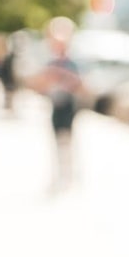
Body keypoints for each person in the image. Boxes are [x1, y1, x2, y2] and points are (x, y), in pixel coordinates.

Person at [31, 17, 84, 191]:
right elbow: (39, 85)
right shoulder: (50, 63)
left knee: (67, 139)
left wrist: (66, 79)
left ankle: (69, 173)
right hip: (55, 104)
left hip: (68, 105)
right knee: (56, 140)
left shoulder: (72, 63)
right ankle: (60, 174)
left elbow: (81, 86)